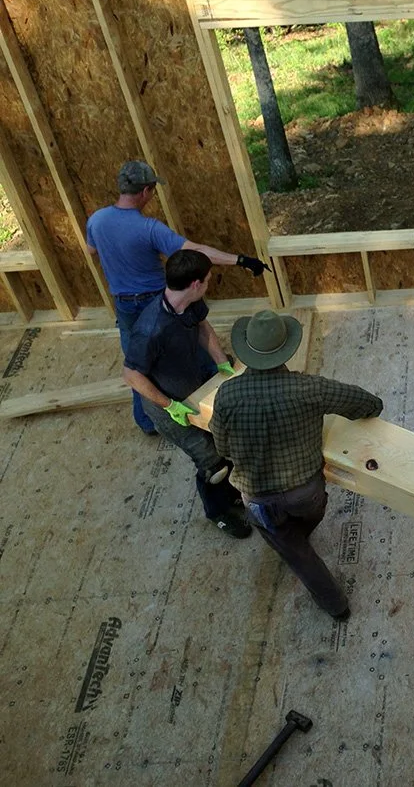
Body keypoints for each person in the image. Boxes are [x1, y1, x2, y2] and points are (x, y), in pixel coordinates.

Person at [210, 310, 383, 621]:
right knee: (301, 535)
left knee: (294, 550)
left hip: (260, 499)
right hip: (308, 494)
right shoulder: (308, 388)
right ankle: (325, 586)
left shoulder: (227, 394)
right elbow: (368, 403)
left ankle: (328, 595)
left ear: (248, 351)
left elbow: (222, 447)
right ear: (286, 349)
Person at [87, 160, 270, 435]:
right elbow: (196, 252)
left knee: (137, 360)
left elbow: (90, 251)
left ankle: (147, 422)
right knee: (188, 348)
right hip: (154, 302)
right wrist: (241, 260)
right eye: (152, 191)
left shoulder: (97, 220)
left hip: (124, 305)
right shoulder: (148, 228)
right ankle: (214, 400)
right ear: (146, 191)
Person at [121, 250, 251, 539]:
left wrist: (221, 363)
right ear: (195, 284)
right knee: (211, 462)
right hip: (169, 403)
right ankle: (217, 512)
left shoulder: (190, 302)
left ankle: (231, 492)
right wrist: (170, 406)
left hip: (196, 382)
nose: (209, 283)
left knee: (225, 442)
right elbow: (130, 375)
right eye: (207, 280)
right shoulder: (151, 328)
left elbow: (202, 327)